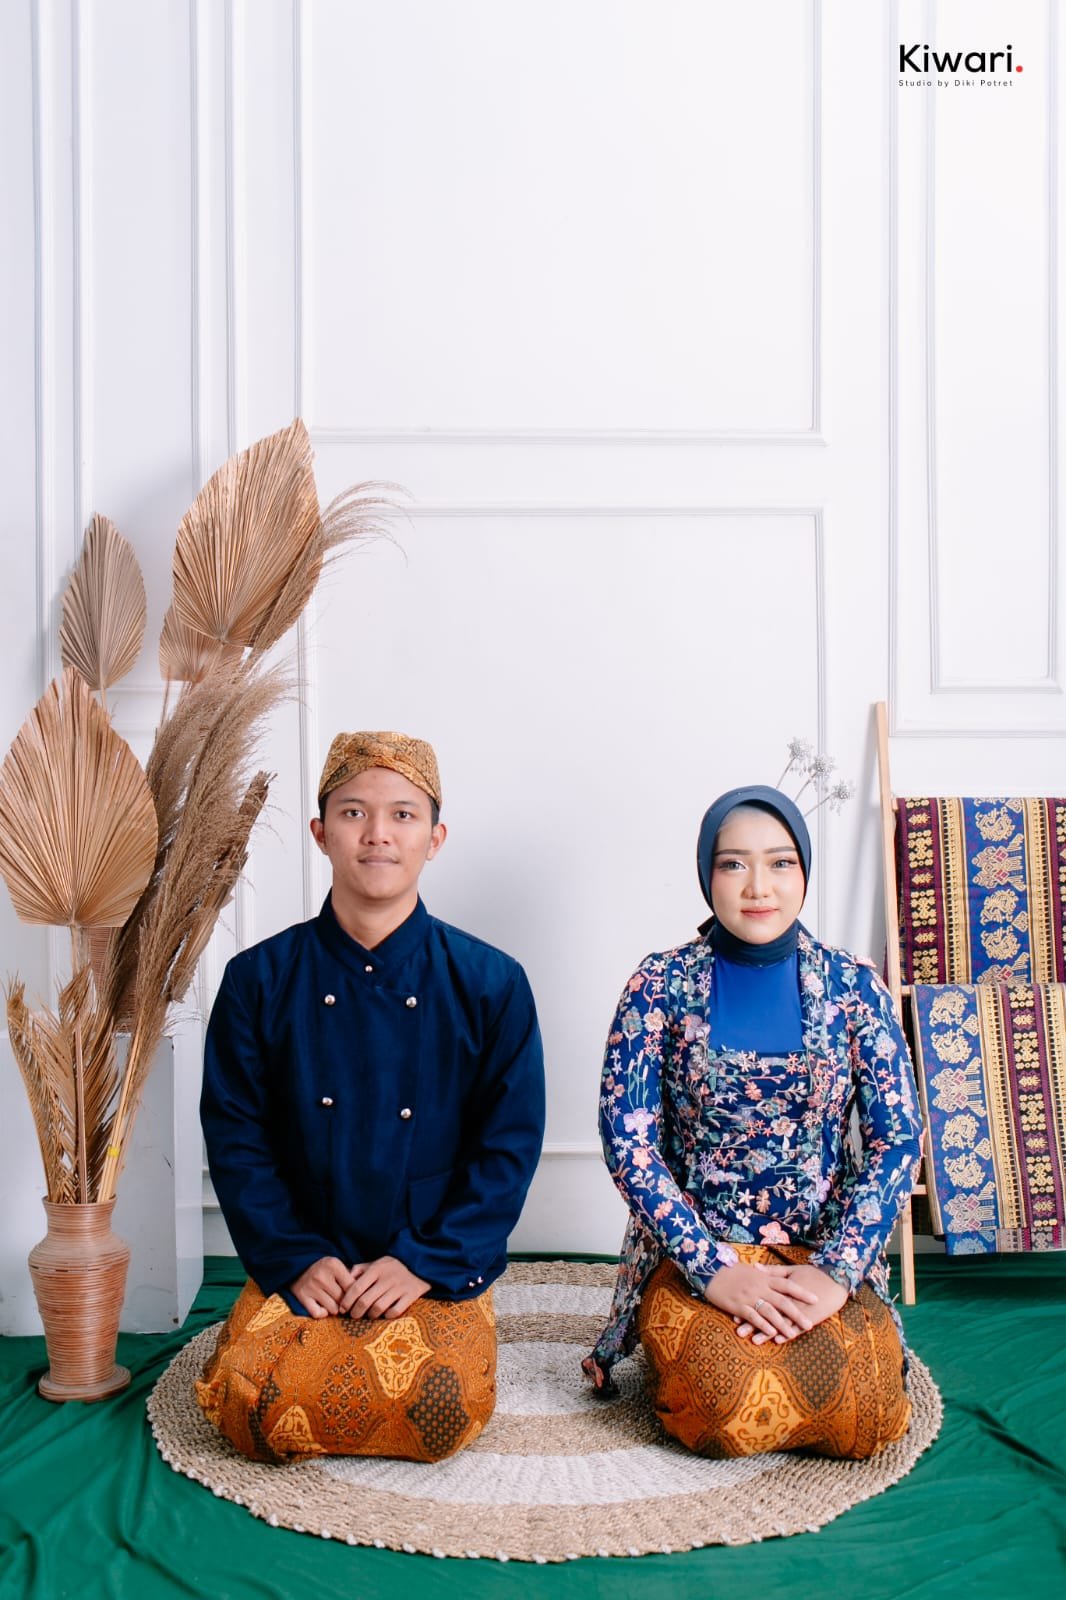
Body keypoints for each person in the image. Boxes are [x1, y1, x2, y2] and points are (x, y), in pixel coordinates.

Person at [196, 731, 545, 1463]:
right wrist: (294, 1256)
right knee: (247, 1405)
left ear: (435, 839)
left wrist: (423, 1261)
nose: (378, 833)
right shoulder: (257, 980)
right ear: (321, 833)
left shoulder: (492, 982)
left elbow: (508, 1147)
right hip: (307, 1255)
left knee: (439, 1412)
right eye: (353, 812)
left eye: (403, 815)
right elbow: (236, 1135)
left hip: (434, 1261)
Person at [583, 785, 923, 1460]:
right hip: (695, 1253)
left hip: (821, 1250)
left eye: (781, 862)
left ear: (805, 873)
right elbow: (629, 1142)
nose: (758, 886)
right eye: (733, 863)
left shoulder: (855, 986)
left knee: (871, 1409)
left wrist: (836, 1272)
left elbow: (897, 1140)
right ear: (706, 874)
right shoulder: (659, 985)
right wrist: (712, 1269)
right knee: (721, 1407)